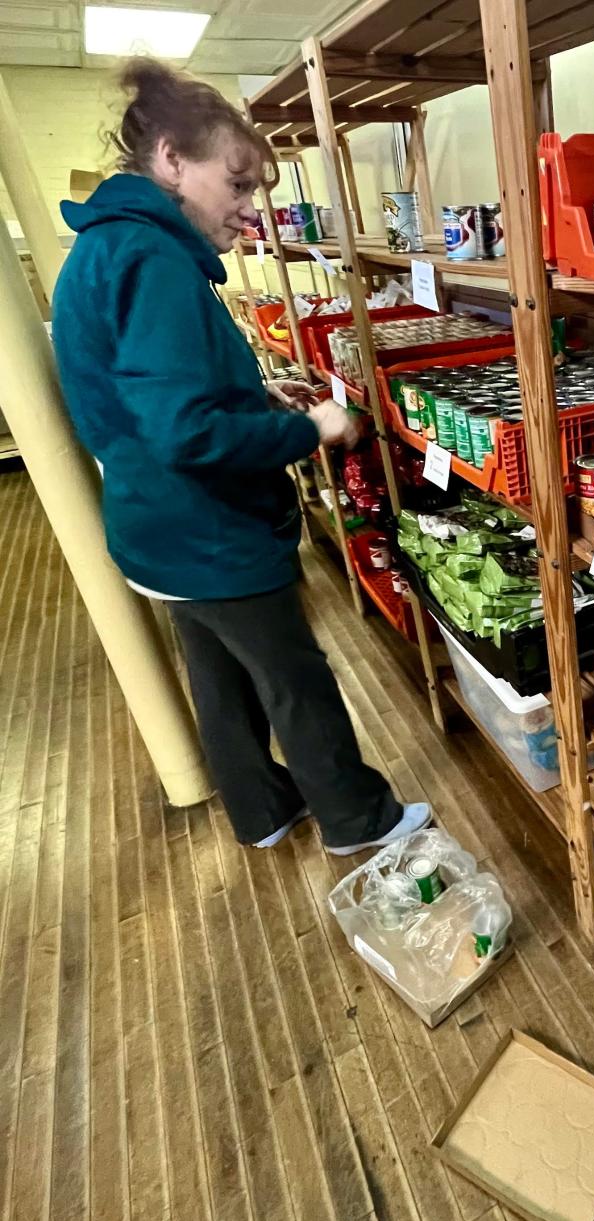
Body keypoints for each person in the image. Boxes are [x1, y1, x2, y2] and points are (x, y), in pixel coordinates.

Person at [51, 58, 431, 854]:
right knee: (296, 683)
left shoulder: (107, 246)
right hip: (208, 532)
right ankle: (359, 822)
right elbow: (187, 433)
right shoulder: (152, 262)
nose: (249, 209)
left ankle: (263, 811)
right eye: (238, 183)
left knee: (220, 682)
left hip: (154, 530)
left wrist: (256, 401)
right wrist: (314, 430)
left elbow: (151, 396)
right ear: (171, 162)